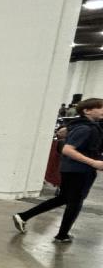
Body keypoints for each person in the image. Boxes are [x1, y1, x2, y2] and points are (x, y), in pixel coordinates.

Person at [13, 98, 103, 242]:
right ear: (87, 111)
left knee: (64, 199)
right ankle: (62, 235)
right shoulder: (85, 128)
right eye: (101, 108)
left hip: (72, 169)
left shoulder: (81, 125)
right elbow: (68, 149)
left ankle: (24, 216)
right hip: (80, 170)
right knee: (75, 202)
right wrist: (93, 162)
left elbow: (62, 134)